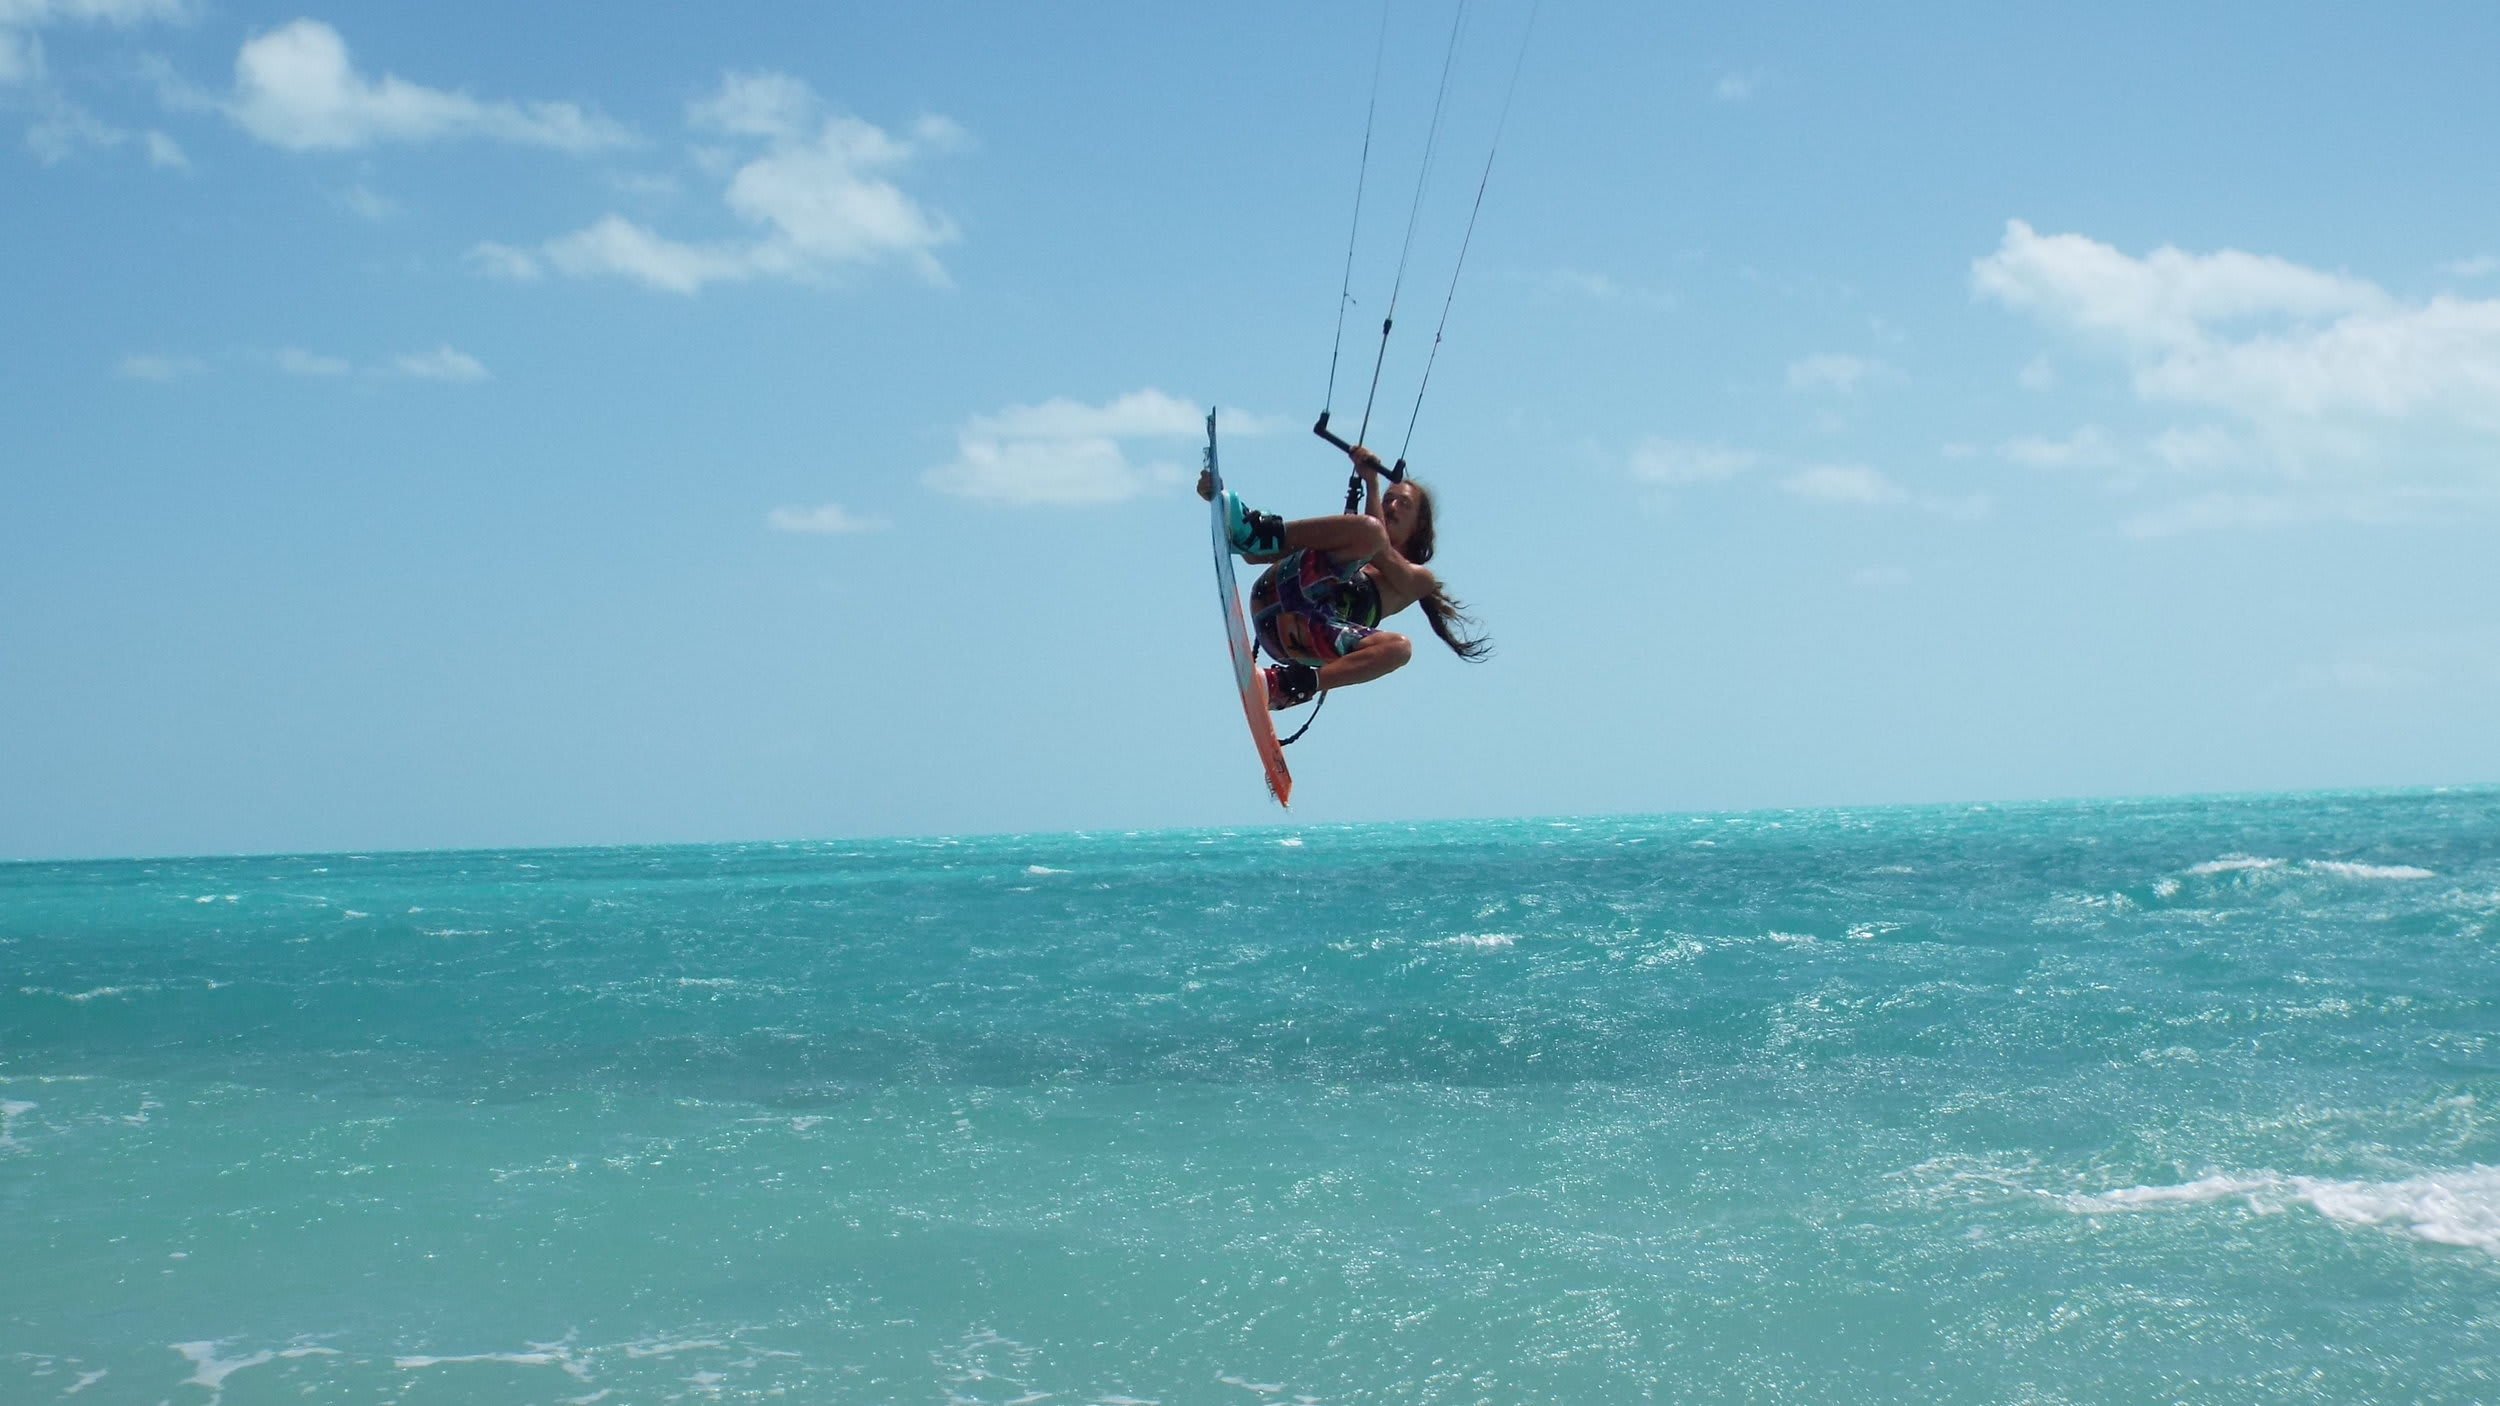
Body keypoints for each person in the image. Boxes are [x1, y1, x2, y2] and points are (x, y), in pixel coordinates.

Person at [1199, 443, 1490, 710]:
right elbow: (1255, 559)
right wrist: (1218, 502)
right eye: (1388, 500)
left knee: (1400, 648)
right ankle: (1255, 532)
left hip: (1304, 638)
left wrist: (1372, 484)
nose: (1391, 506)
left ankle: (1288, 686)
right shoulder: (1358, 541)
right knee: (1363, 533)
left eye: (1403, 504)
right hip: (1272, 596)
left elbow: (1380, 550)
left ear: (1420, 524)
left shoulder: (1418, 580)